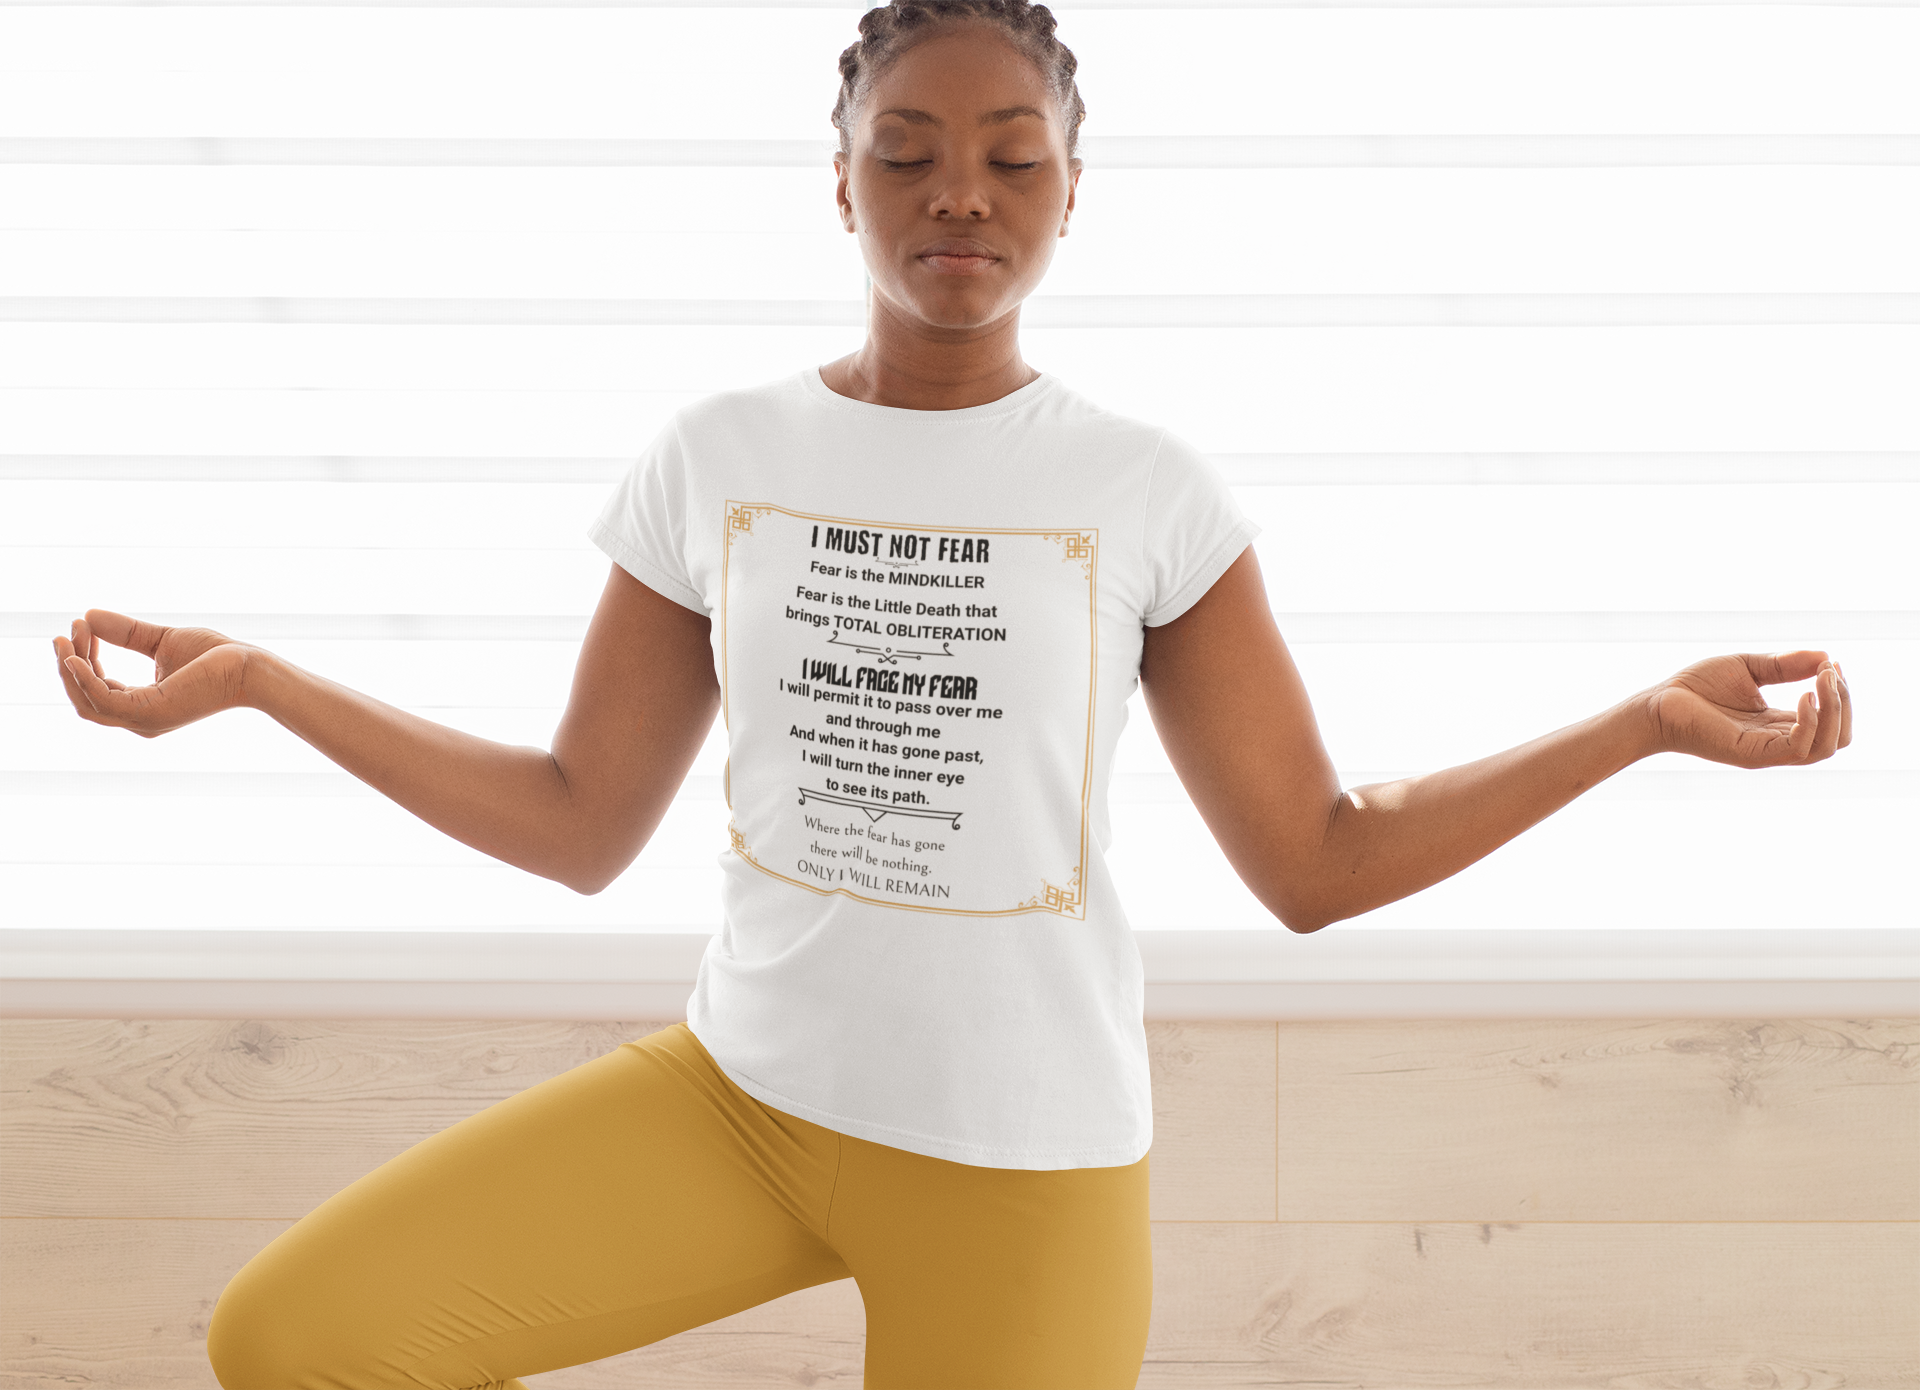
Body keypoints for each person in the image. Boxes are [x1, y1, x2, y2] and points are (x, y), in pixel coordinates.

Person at [50, 2, 1852, 1387]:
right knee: (296, 1336)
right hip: (739, 1102)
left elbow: (1320, 859)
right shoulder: (717, 456)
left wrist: (1642, 727)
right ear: (839, 181)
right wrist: (268, 685)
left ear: (1074, 188)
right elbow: (576, 820)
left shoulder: (1146, 489)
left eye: (1012, 153)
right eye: (905, 152)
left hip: (1026, 1160)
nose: (958, 195)